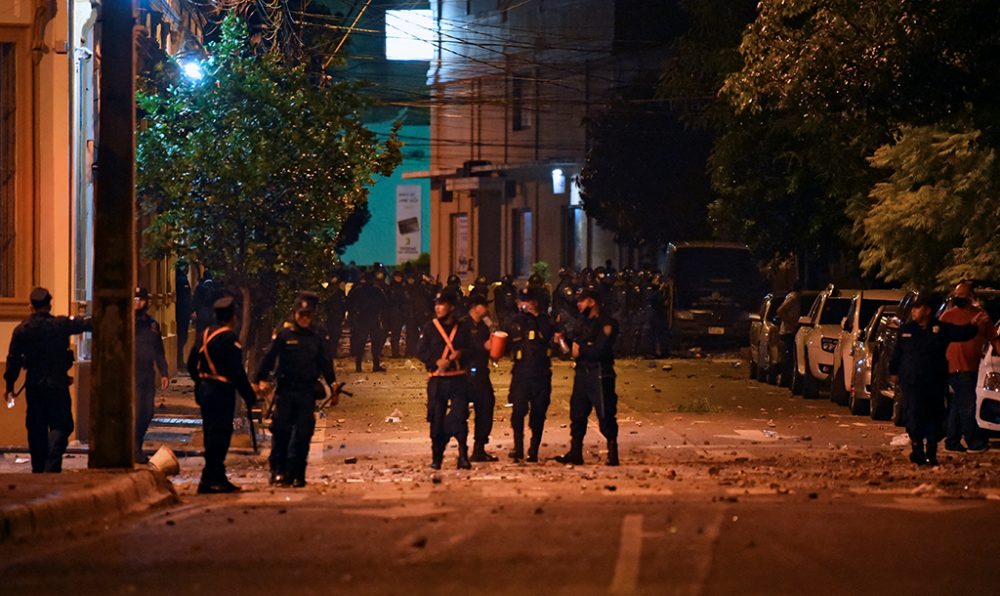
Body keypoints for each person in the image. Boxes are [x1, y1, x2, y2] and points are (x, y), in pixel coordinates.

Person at [889, 293, 985, 467]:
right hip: (912, 383)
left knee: (934, 416)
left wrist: (974, 324)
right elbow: (897, 354)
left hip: (934, 382)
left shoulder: (940, 329)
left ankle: (931, 453)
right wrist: (893, 371)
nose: (913, 311)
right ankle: (917, 451)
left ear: (927, 310)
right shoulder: (907, 331)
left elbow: (963, 333)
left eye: (917, 308)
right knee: (913, 415)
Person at [4, 288, 92, 473]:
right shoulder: (59, 325)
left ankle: (39, 469)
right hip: (57, 384)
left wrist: (10, 387)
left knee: (36, 427)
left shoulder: (22, 330)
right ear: (49, 305)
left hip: (34, 385)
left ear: (30, 306)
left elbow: (13, 361)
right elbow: (83, 324)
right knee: (62, 424)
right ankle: (51, 463)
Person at [255, 293, 339, 487]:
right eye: (301, 314)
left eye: (307, 315)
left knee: (303, 433)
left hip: (306, 392)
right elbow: (268, 359)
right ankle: (278, 470)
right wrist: (258, 380)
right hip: (286, 391)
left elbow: (325, 363)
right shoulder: (284, 335)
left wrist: (333, 384)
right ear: (294, 314)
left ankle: (297, 472)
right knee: (281, 432)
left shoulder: (316, 336)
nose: (304, 318)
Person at [187, 296, 257, 493]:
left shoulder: (204, 335)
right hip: (221, 392)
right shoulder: (228, 338)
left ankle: (213, 477)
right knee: (220, 435)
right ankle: (212, 478)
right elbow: (237, 371)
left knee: (211, 433)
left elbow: (192, 363)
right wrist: (249, 395)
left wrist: (201, 382)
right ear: (232, 317)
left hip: (204, 391)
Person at [556, 286, 620, 466]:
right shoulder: (582, 322)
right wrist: (562, 340)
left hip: (599, 373)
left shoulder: (606, 323)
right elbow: (575, 342)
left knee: (605, 414)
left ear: (592, 302)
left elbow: (600, 349)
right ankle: (575, 452)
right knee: (577, 414)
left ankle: (613, 453)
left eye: (582, 301)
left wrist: (581, 350)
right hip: (582, 372)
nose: (579, 304)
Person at [415, 290, 472, 470]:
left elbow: (473, 350)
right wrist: (435, 361)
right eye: (436, 304)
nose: (438, 308)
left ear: (452, 307)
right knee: (436, 419)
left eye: (442, 304)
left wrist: (461, 354)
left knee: (460, 416)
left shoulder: (462, 328)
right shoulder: (430, 328)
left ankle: (463, 455)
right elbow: (420, 351)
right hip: (437, 381)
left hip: (458, 380)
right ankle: (436, 456)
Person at [939, 281, 995, 453]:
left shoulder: (981, 317)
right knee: (967, 404)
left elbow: (994, 338)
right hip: (955, 367)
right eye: (957, 296)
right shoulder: (948, 316)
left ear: (971, 297)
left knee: (958, 404)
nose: (959, 299)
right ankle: (973, 441)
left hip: (972, 368)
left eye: (962, 296)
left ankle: (952, 440)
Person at [504, 287, 555, 462]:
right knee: (518, 411)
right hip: (520, 374)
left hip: (541, 374)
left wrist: (536, 316)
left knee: (538, 414)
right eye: (521, 301)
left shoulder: (545, 320)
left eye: (527, 301)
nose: (523, 305)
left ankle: (533, 450)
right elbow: (505, 342)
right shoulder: (515, 321)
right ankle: (518, 448)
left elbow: (549, 336)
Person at [134, 287, 170, 463]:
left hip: (147, 374)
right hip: (131, 375)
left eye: (140, 299)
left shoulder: (152, 324)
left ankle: (137, 445)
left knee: (147, 412)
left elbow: (159, 350)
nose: (138, 303)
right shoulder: (126, 323)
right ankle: (133, 448)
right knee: (135, 411)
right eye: (134, 300)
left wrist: (164, 372)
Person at [461, 293, 498, 462]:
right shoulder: (462, 325)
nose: (488, 310)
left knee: (486, 407)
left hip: (482, 373)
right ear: (476, 307)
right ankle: (462, 449)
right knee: (460, 413)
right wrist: (482, 346)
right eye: (485, 306)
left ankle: (479, 448)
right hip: (464, 374)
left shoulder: (485, 325)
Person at [347, 272, 387, 373]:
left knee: (361, 342)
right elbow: (385, 304)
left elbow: (349, 303)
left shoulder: (358, 290)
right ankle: (375, 365)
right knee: (375, 343)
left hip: (362, 318)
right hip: (372, 318)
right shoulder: (377, 290)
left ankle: (359, 366)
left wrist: (353, 314)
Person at [775, 282, 804, 386]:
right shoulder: (793, 298)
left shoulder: (794, 298)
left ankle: (786, 378)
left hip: (790, 331)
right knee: (788, 357)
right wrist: (792, 322)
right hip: (788, 331)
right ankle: (784, 379)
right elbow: (780, 311)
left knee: (788, 356)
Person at [321, 275, 347, 358]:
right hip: (333, 317)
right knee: (333, 335)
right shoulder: (335, 293)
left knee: (334, 335)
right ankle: (331, 352)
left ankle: (331, 352)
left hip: (335, 316)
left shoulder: (337, 292)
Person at [384, 271, 407, 358]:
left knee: (396, 334)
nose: (398, 279)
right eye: (397, 277)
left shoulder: (402, 288)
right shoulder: (391, 288)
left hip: (399, 314)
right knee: (390, 334)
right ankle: (393, 352)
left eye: (399, 277)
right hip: (391, 314)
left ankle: (395, 352)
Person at [175, 260, 192, 369]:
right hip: (182, 313)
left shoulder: (180, 279)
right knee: (182, 337)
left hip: (182, 312)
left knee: (182, 338)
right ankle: (179, 362)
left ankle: (180, 361)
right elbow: (185, 298)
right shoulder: (181, 280)